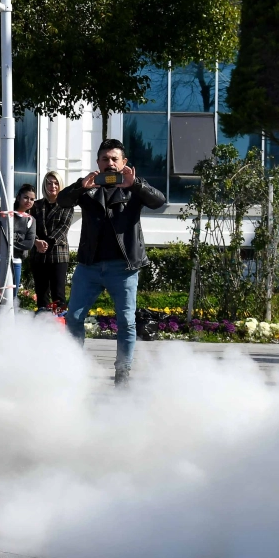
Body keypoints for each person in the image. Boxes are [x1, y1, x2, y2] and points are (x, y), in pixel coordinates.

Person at [59, 138, 168, 385]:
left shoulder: (133, 188)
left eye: (114, 159)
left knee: (126, 322)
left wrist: (137, 184)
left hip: (124, 268)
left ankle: (123, 372)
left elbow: (160, 202)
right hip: (90, 266)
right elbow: (62, 200)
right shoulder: (88, 189)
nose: (110, 163)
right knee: (74, 317)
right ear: (98, 162)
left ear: (124, 162)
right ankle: (74, 367)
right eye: (105, 159)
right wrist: (80, 187)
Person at [0, 184, 37, 311]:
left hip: (16, 261)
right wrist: (18, 242)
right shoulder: (5, 212)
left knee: (11, 297)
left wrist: (11, 242)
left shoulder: (31, 220)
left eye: (32, 199)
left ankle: (7, 328)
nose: (28, 201)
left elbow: (29, 243)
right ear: (18, 197)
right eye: (26, 197)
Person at [28, 172, 74, 312]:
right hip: (38, 255)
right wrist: (36, 242)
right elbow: (29, 226)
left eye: (55, 183)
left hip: (58, 255)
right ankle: (42, 325)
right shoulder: (35, 205)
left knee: (58, 294)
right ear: (44, 185)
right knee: (41, 293)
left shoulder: (67, 205)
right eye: (49, 183)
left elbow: (63, 228)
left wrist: (47, 243)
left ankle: (59, 324)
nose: (52, 186)